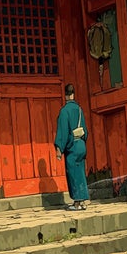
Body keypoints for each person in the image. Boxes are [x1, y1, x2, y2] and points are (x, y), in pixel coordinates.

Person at [54, 83, 90, 211]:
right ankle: (83, 201)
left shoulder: (64, 111)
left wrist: (59, 148)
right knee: (80, 172)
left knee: (73, 174)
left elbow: (63, 131)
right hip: (81, 144)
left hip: (73, 146)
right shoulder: (79, 110)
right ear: (73, 94)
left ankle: (76, 203)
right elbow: (85, 130)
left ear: (65, 95)